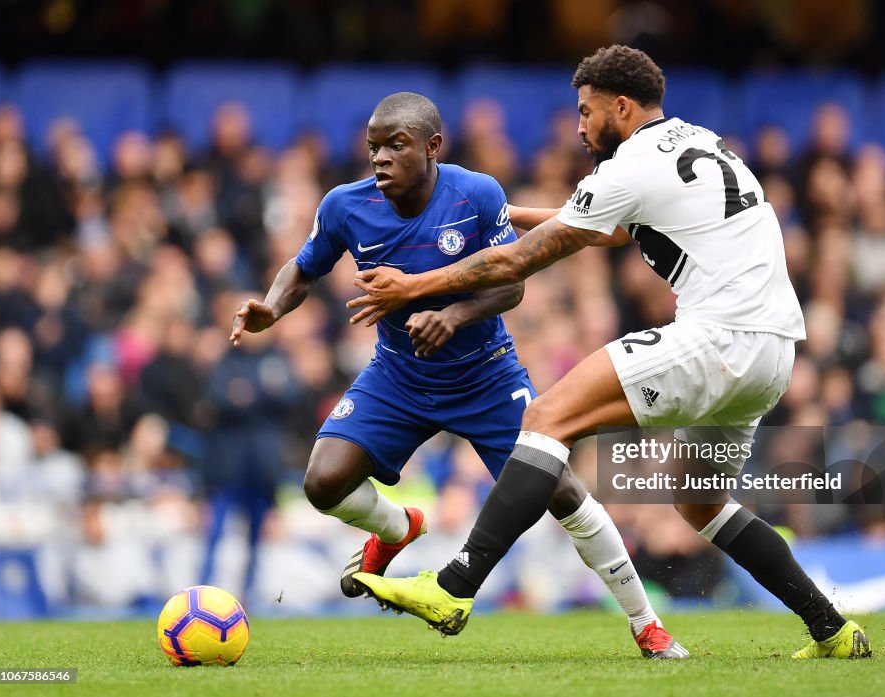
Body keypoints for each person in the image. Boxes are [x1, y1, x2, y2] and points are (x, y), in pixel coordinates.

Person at [347, 50, 872, 660]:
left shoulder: (630, 165)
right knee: (698, 500)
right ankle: (832, 630)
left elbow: (516, 263)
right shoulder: (700, 142)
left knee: (546, 419)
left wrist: (413, 286)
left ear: (620, 107)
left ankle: (454, 586)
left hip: (719, 337)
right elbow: (618, 229)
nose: (578, 126)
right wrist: (511, 212)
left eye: (585, 111)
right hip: (774, 352)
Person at [229, 92, 686, 659]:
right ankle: (399, 528)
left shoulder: (476, 194)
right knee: (323, 483)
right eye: (373, 147)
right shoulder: (346, 206)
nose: (380, 158)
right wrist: (272, 308)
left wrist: (453, 315)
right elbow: (303, 268)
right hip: (397, 373)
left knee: (564, 493)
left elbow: (511, 284)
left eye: (396, 145)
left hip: (485, 376)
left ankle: (646, 622)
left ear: (432, 147)